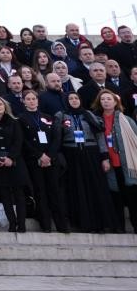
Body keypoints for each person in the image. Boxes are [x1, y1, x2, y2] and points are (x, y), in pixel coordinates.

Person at [57, 91, 110, 232]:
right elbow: (57, 138)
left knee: (95, 188)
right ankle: (82, 223)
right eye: (71, 98)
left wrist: (104, 157)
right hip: (71, 156)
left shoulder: (89, 114)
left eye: (76, 98)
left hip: (91, 154)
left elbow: (100, 136)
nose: (74, 100)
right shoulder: (61, 115)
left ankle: (99, 224)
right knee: (77, 188)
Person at [18, 90, 68, 233]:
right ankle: (45, 224)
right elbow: (24, 141)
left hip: (51, 160)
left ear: (38, 101)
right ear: (24, 101)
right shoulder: (21, 119)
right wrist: (39, 155)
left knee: (55, 191)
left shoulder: (48, 117)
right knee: (40, 191)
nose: (32, 101)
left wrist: (49, 156)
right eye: (28, 99)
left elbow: (56, 138)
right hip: (35, 160)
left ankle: (61, 225)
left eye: (34, 98)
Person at [95, 89, 137, 232]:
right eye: (103, 99)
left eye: (109, 99)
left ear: (115, 102)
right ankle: (118, 227)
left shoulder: (127, 120)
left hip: (127, 164)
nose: (106, 101)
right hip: (109, 165)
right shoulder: (97, 120)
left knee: (132, 197)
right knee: (115, 197)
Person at [0, 96, 27, 232]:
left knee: (19, 195)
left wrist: (11, 158)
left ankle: (21, 223)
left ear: (5, 106)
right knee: (5, 195)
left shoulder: (14, 122)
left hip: (14, 162)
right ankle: (12, 223)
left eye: (0, 104)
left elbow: (18, 141)